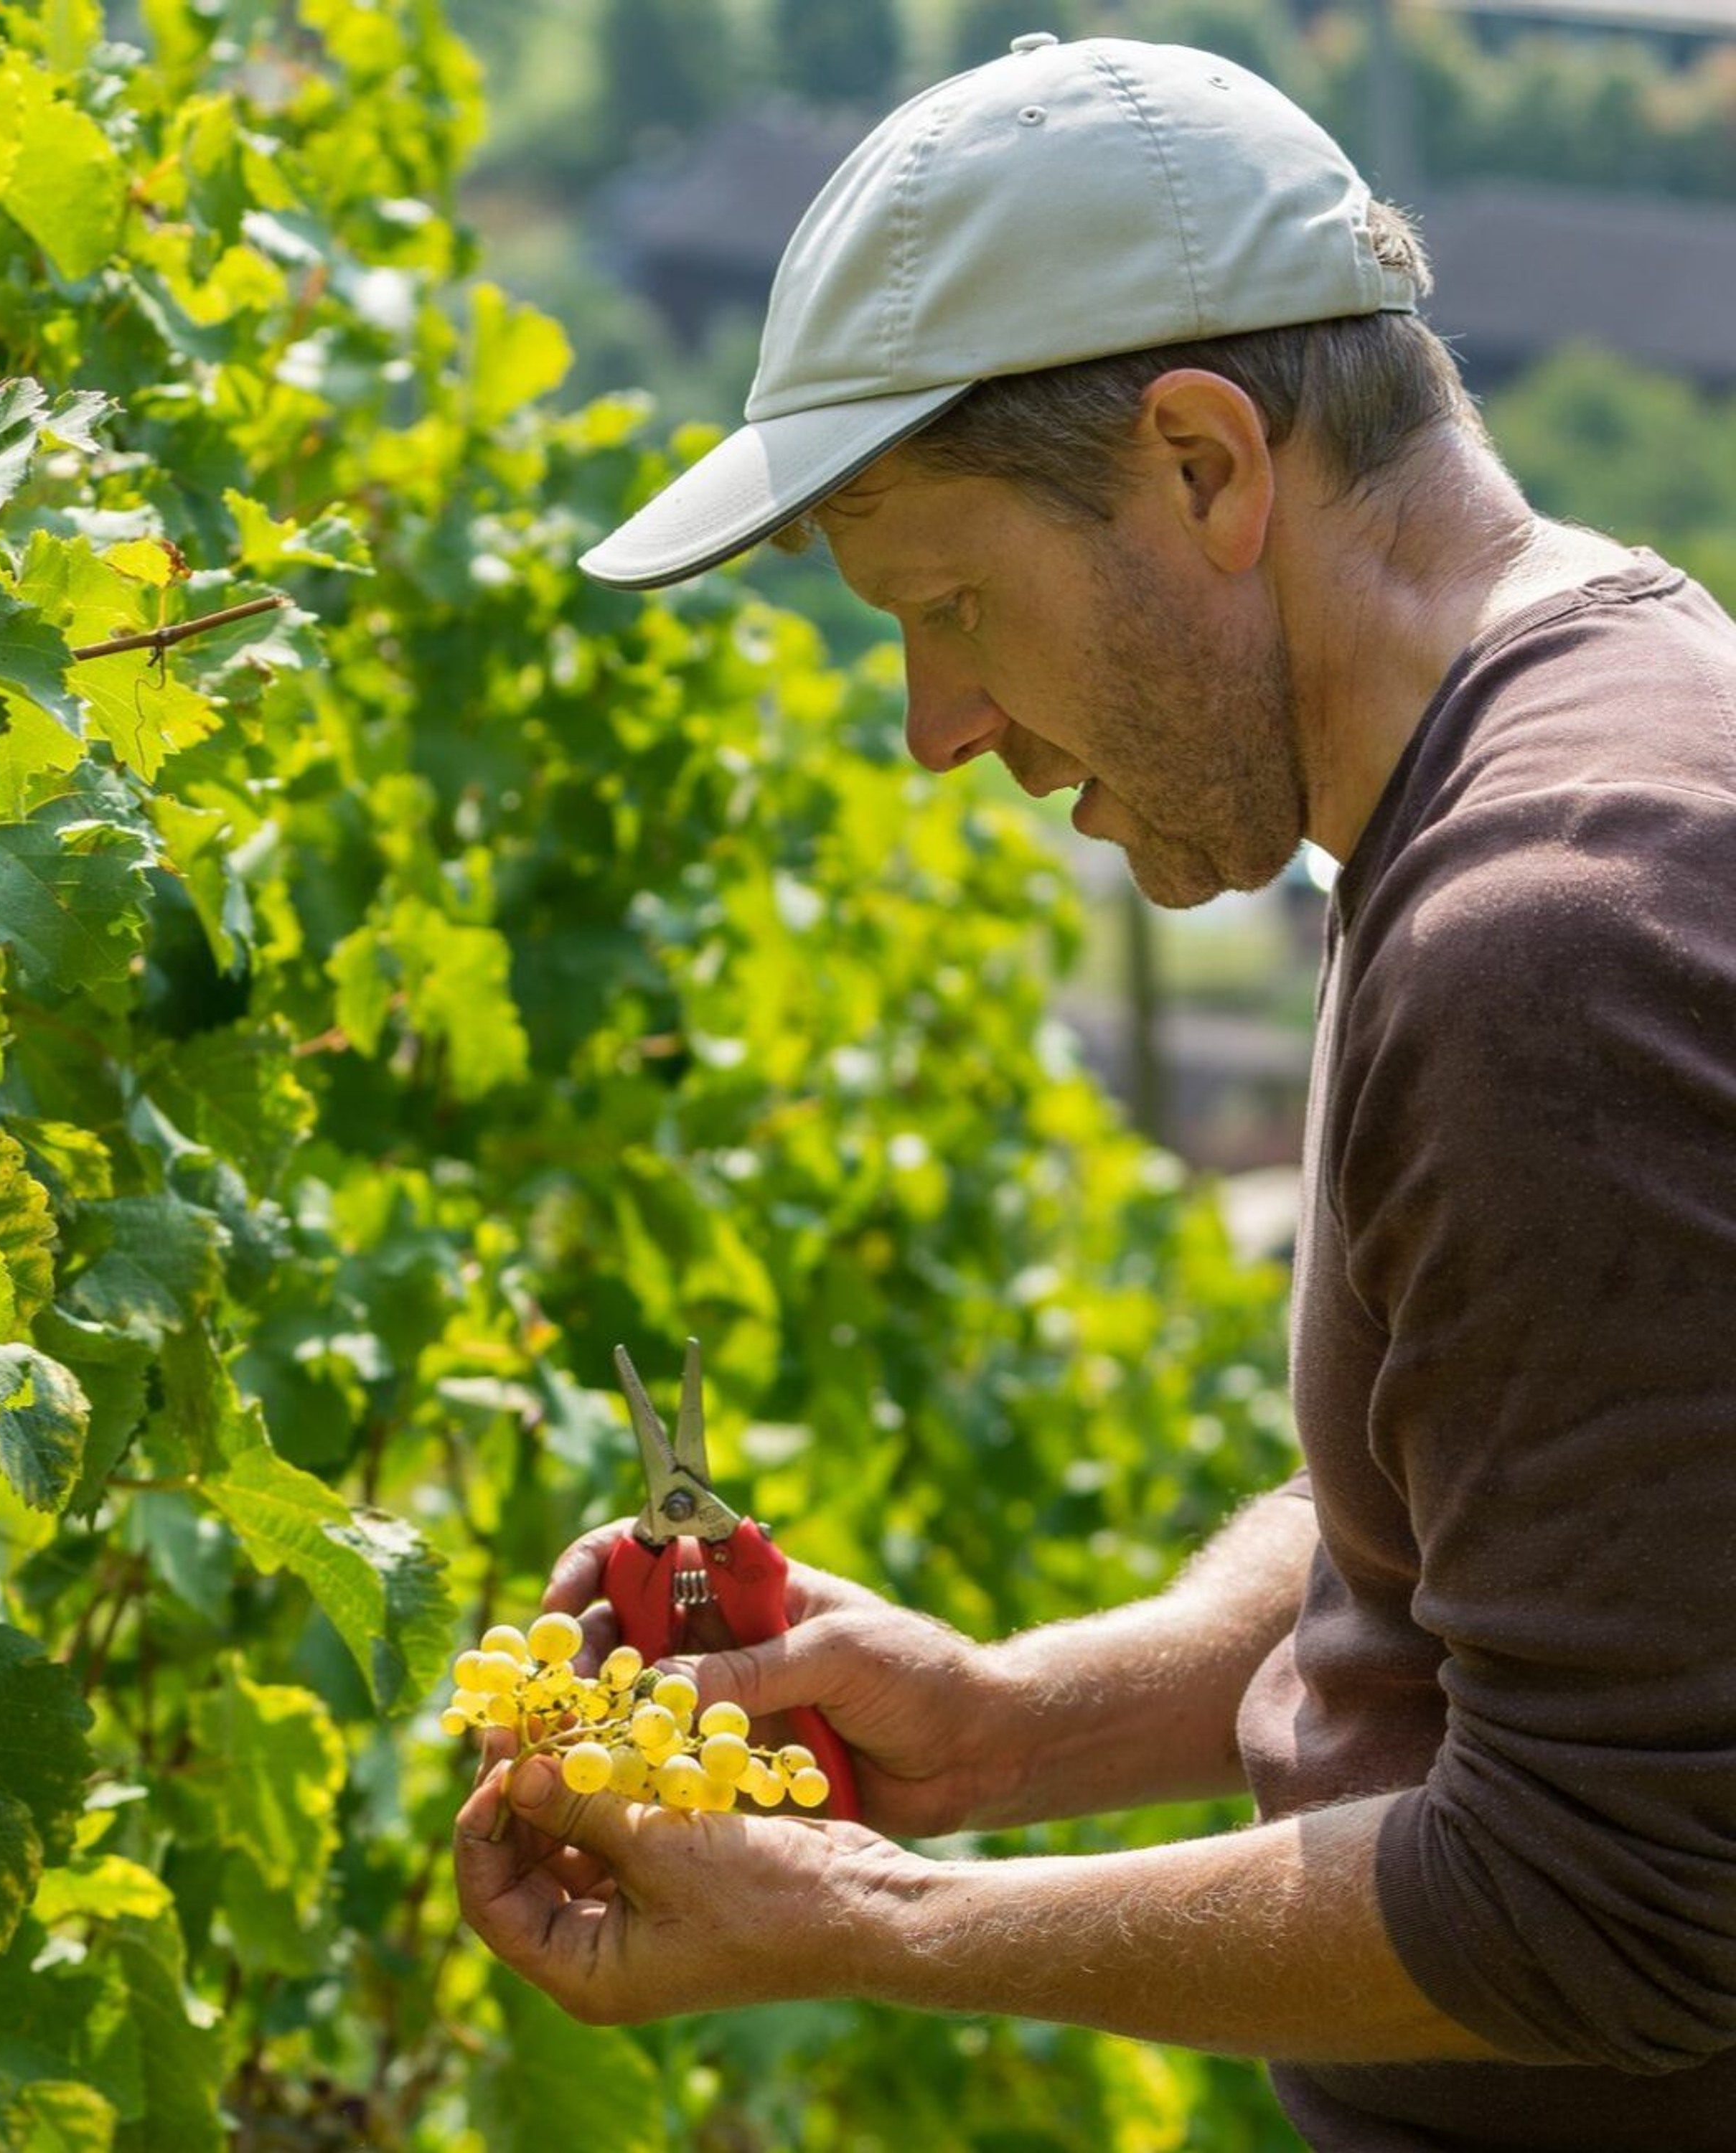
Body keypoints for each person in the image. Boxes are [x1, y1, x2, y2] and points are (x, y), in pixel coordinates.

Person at [454, 35, 1736, 2152]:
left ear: (1207, 469)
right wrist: (1010, 1728)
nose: (933, 726)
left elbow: (1624, 1906)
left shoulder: (1553, 938)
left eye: (953, 606)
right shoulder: (1570, 736)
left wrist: (876, 1920)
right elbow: (1494, 1524)